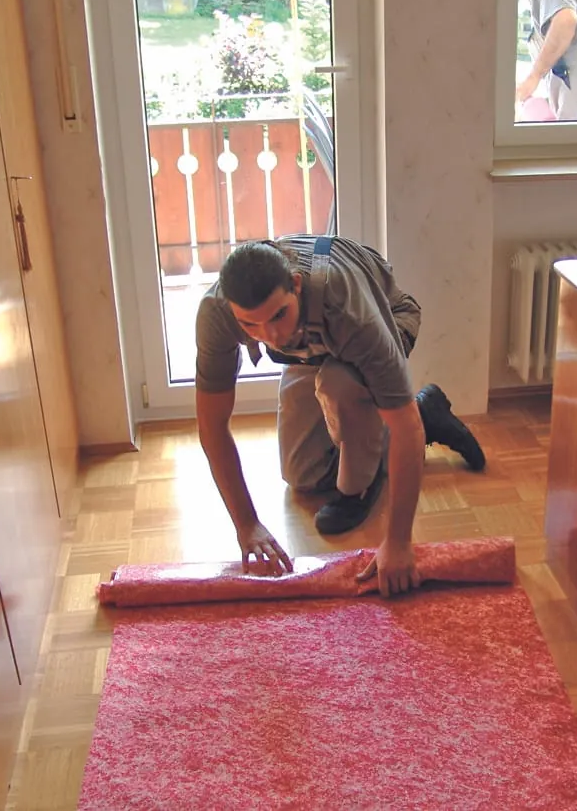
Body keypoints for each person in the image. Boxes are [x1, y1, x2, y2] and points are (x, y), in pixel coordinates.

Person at [194, 234, 486, 596]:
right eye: (250, 325)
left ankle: (360, 487)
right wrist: (247, 524)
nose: (270, 335)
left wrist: (398, 542)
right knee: (302, 475)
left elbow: (405, 427)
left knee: (340, 385)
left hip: (385, 317)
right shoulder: (217, 313)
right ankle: (427, 412)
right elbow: (212, 425)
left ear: (296, 286)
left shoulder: (349, 310)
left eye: (278, 315)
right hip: (309, 346)